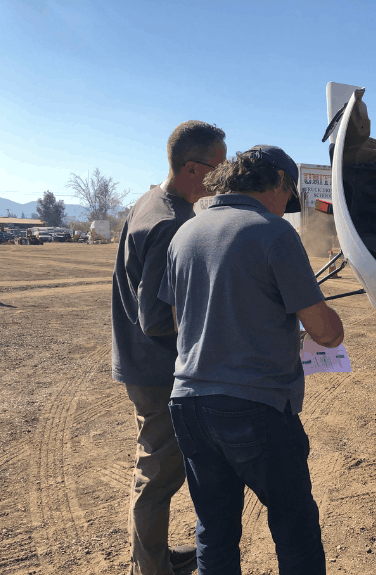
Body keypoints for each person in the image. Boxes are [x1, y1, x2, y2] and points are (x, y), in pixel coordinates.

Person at [157, 145, 343, 575]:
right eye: (289, 198)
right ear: (278, 182)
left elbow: (181, 321)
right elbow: (325, 332)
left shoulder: (185, 233)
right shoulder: (274, 234)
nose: (287, 209)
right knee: (294, 527)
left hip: (188, 404)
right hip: (254, 407)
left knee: (215, 531)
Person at [112, 120, 227, 575]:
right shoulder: (170, 222)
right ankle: (150, 569)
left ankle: (153, 557)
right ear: (195, 169)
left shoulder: (151, 201)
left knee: (158, 471)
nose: (223, 178)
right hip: (157, 370)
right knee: (158, 477)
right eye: (218, 168)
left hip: (143, 363)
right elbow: (157, 317)